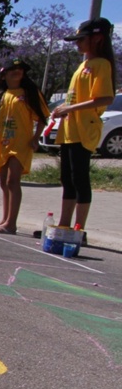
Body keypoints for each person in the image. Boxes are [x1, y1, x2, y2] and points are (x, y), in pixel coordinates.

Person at [50, 17, 117, 236]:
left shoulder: (101, 64)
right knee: (67, 178)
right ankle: (63, 224)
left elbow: (104, 98)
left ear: (97, 38)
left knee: (80, 178)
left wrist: (69, 109)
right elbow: (75, 98)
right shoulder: (83, 65)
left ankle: (79, 230)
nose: (77, 44)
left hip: (85, 128)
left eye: (81, 40)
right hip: (70, 129)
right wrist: (62, 108)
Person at [0, 58, 49, 234]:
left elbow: (41, 118)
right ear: (4, 75)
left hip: (21, 143)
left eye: (20, 69)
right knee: (3, 181)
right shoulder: (1, 96)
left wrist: (36, 137)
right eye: (13, 69)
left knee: (13, 180)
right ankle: (4, 219)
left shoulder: (29, 93)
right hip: (2, 142)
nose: (17, 72)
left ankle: (11, 223)